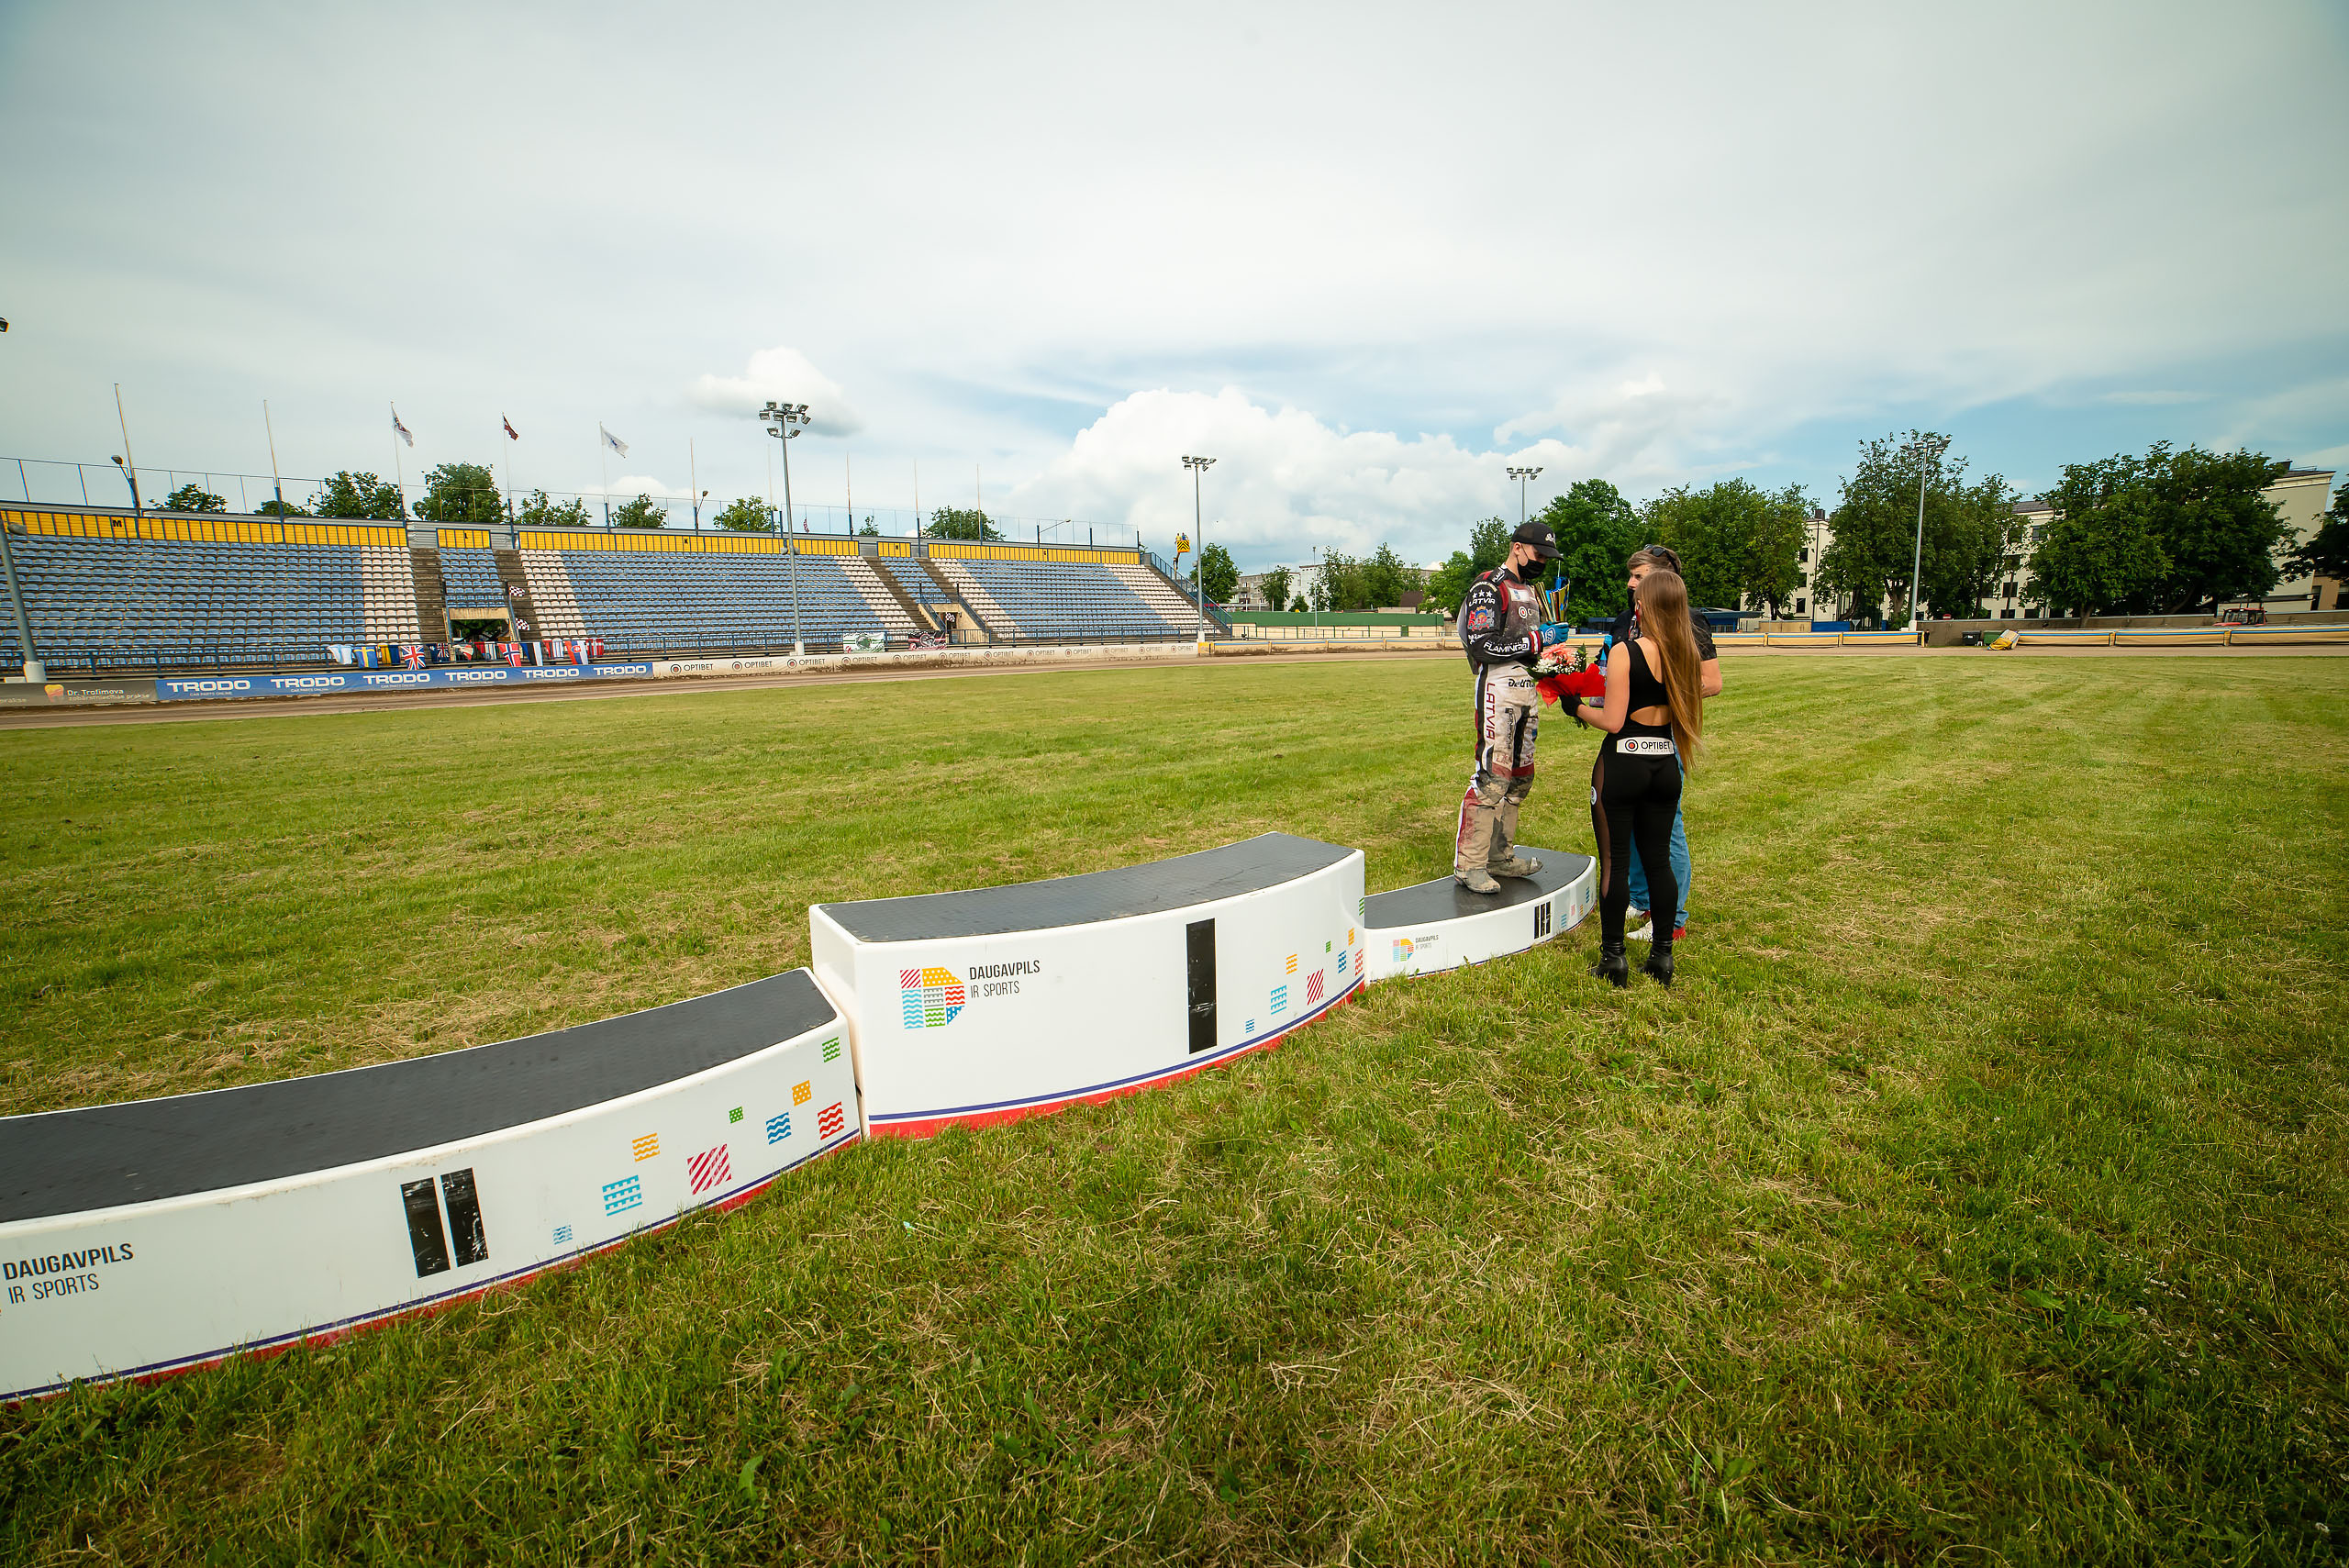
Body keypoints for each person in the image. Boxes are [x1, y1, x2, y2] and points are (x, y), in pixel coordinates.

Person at [1583, 568, 1706, 986]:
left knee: (1615, 863)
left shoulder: (1626, 651)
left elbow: (1613, 721)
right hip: (1665, 766)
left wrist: (1573, 706)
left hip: (1623, 764)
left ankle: (1613, 957)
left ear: (1644, 607)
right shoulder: (1685, 655)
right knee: (1659, 862)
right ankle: (1662, 957)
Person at [1594, 545, 1723, 941]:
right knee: (1627, 823)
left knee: (1667, 829)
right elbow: (1608, 672)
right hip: (1623, 737)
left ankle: (1672, 919)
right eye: (1630, 575)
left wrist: (1661, 697)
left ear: (1662, 578)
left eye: (1639, 576)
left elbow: (1712, 682)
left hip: (1662, 735)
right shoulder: (1624, 621)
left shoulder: (1689, 621)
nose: (1630, 583)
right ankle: (1639, 899)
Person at [1453, 519, 1563, 893]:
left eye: (1547, 558)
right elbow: (1482, 644)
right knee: (1494, 776)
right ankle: (1470, 864)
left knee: (1520, 778)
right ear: (1517, 548)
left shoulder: (1531, 591)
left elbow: (1529, 649)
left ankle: (1500, 856)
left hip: (1526, 690)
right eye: (1538, 554)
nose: (1542, 562)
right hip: (1497, 690)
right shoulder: (1489, 586)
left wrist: (1554, 658)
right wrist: (1536, 640)